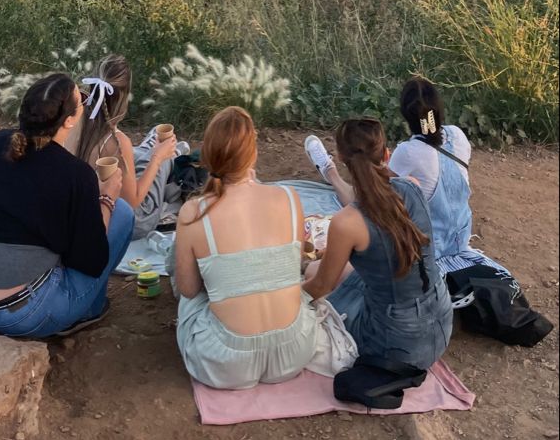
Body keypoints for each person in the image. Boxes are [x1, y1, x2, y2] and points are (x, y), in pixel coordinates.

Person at [173, 106, 357, 390]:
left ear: (208, 156)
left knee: (183, 281)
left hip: (225, 362)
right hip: (294, 349)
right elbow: (293, 264)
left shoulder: (192, 212)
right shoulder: (288, 196)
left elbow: (188, 289)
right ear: (253, 154)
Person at [0, 73, 134, 338]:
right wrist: (107, 197)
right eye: (82, 100)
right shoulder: (76, 174)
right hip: (25, 315)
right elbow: (92, 260)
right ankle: (89, 310)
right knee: (122, 214)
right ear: (70, 119)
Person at [302, 117, 453, 370]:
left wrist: (282, 301)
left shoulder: (345, 223)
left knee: (313, 273)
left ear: (341, 156)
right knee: (321, 270)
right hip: (440, 324)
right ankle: (331, 176)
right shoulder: (412, 187)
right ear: (386, 153)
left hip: (393, 344)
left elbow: (320, 286)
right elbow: (377, 198)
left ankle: (331, 175)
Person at [387, 77, 510, 276]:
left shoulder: (407, 152)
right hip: (460, 239)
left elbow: (385, 190)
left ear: (406, 115)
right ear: (438, 109)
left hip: (430, 248)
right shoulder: (457, 134)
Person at [68, 54, 187, 239]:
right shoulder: (117, 141)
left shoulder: (74, 123)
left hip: (85, 209)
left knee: (149, 140)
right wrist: (157, 159)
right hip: (126, 220)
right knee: (163, 158)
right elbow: (133, 202)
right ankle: (173, 153)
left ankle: (158, 150)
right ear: (124, 95)